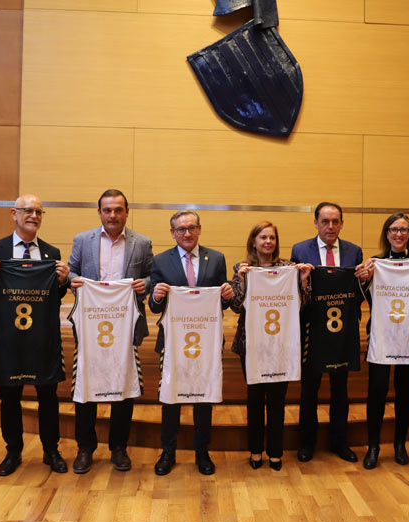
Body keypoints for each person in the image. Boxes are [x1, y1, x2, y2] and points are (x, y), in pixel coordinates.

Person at [0, 194, 70, 476]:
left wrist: (62, 281)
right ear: (14, 214)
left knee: (48, 395)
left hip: (42, 336)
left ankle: (51, 450)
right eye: (28, 210)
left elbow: (54, 296)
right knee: (9, 395)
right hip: (6, 337)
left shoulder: (52, 253)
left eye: (39, 211)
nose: (34, 216)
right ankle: (13, 451)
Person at [67, 189, 153, 474]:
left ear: (126, 212)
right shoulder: (83, 240)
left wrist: (145, 283)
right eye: (107, 210)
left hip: (126, 326)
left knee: (124, 388)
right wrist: (73, 280)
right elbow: (70, 272)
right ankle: (85, 448)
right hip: (91, 326)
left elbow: (153, 276)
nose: (113, 215)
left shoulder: (142, 242)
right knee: (86, 386)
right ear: (99, 212)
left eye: (118, 210)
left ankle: (119, 448)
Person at [149, 210, 234, 476]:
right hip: (173, 343)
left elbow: (221, 302)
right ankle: (168, 452)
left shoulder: (216, 258)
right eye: (181, 229)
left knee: (203, 400)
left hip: (205, 342)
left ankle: (202, 452)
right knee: (171, 400)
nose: (187, 233)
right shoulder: (160, 261)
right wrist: (158, 296)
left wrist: (228, 294)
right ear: (172, 232)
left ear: (200, 229)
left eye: (191, 228)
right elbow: (153, 307)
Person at [230, 222, 313, 471]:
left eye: (272, 237)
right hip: (251, 345)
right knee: (254, 399)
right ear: (253, 241)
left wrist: (304, 281)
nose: (268, 241)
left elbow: (303, 305)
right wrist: (242, 282)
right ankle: (255, 451)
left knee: (277, 400)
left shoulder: (288, 268)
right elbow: (235, 306)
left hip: (281, 344)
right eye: (263, 237)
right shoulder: (242, 268)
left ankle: (275, 452)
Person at [291, 201, 369, 463]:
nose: (330, 226)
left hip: (342, 331)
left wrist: (365, 279)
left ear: (342, 224)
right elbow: (295, 294)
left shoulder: (354, 252)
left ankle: (339, 443)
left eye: (335, 221)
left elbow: (358, 296)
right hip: (312, 331)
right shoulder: (300, 250)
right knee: (309, 391)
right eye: (325, 221)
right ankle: (307, 444)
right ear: (315, 223)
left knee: (340, 390)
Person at [360, 213, 409, 469]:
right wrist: (365, 279)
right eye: (394, 230)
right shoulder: (375, 262)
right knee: (376, 391)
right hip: (382, 335)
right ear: (387, 234)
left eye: (403, 230)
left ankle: (400, 444)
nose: (398, 234)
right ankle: (373, 446)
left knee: (404, 391)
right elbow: (365, 298)